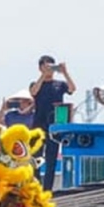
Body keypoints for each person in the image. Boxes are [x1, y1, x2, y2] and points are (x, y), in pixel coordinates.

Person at [30, 55, 77, 191]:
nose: (49, 69)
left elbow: (72, 89)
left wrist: (65, 72)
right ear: (40, 67)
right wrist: (43, 76)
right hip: (38, 126)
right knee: (36, 159)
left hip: (54, 126)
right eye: (46, 66)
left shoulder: (59, 84)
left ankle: (47, 189)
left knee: (51, 159)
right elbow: (33, 92)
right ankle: (36, 186)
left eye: (51, 66)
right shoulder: (35, 83)